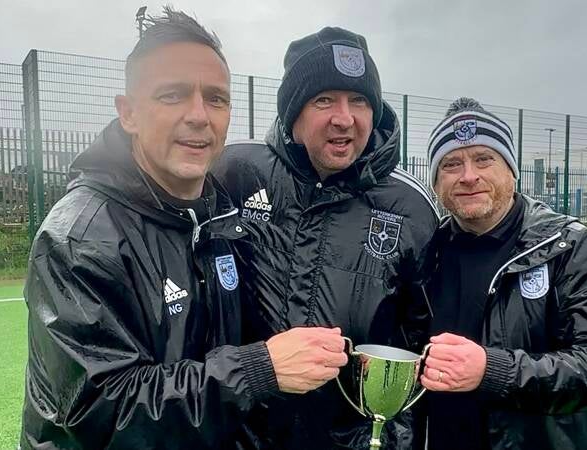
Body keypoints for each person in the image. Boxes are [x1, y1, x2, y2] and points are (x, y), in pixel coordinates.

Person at [19, 8, 348, 449]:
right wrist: (258, 370)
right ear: (129, 113)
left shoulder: (222, 218)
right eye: (173, 95)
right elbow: (102, 412)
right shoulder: (79, 238)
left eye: (216, 98)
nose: (199, 116)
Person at [213, 27, 439, 449]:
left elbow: (420, 344)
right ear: (293, 112)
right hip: (240, 437)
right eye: (324, 100)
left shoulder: (411, 206)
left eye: (359, 101)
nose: (344, 117)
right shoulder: (234, 173)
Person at [418, 97, 587, 450]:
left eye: (483, 159)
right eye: (451, 164)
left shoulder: (573, 247)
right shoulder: (427, 253)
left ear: (511, 169)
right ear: (437, 183)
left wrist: (492, 370)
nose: (468, 176)